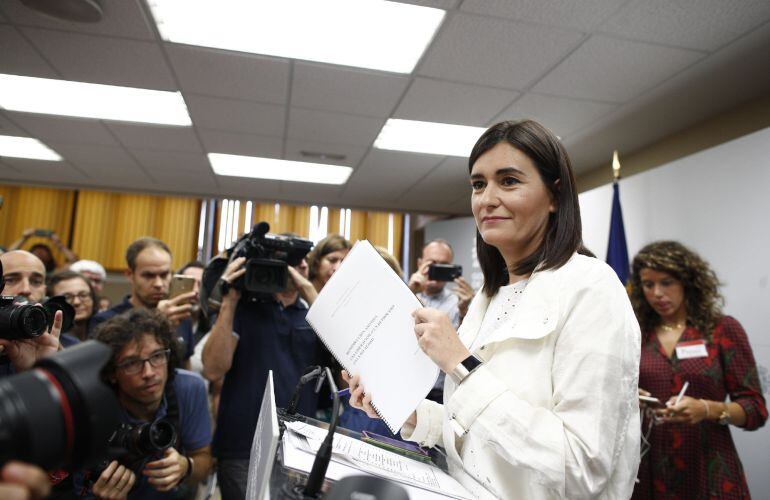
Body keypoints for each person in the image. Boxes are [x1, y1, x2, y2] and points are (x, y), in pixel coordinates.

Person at [347, 120, 641, 499]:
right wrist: (406, 412)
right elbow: (474, 432)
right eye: (478, 184)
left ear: (554, 196)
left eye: (509, 181)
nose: (486, 198)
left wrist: (463, 365)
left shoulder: (592, 289)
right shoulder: (489, 297)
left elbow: (580, 468)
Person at [630, 241, 767, 499]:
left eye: (667, 282)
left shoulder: (721, 330)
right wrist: (630, 398)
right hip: (649, 468)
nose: (657, 293)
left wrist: (707, 409)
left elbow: (755, 409)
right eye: (649, 284)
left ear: (687, 282)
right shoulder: (636, 334)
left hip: (708, 465)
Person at [201, 253, 322, 500]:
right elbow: (213, 369)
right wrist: (229, 300)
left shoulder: (314, 315)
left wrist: (308, 289)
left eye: (302, 259)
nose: (299, 266)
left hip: (300, 449)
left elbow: (345, 359)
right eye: (289, 262)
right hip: (243, 447)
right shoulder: (244, 309)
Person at [84, 309, 212, 499]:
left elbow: (204, 460)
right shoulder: (92, 407)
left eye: (157, 356)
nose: (149, 373)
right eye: (132, 363)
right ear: (111, 373)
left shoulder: (188, 388)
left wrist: (186, 466)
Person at [408, 239, 475, 402]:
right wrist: (409, 293)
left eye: (443, 265)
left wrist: (466, 312)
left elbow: (466, 349)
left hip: (441, 392)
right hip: (408, 387)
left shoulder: (459, 303)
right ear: (420, 263)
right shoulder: (407, 293)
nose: (436, 270)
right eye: (432, 263)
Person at [90, 238, 196, 336]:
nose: (158, 284)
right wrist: (157, 321)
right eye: (148, 276)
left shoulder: (180, 317)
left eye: (164, 275)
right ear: (130, 275)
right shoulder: (105, 321)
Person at [0, 250, 64, 375]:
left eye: (36, 281)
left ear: (45, 291)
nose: (26, 289)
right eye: (11, 280)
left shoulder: (68, 346)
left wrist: (37, 372)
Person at [48, 270, 97, 343]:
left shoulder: (104, 334)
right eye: (67, 297)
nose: (76, 302)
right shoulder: (47, 342)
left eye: (83, 295)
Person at [9, 228, 78, 273]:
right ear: (30, 255)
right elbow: (8, 255)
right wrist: (23, 238)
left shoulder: (53, 273)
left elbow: (74, 262)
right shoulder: (21, 269)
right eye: (36, 250)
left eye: (43, 251)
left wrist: (59, 244)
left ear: (49, 257)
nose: (40, 252)